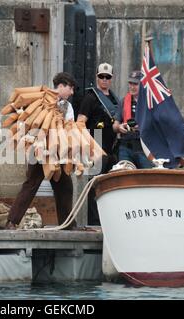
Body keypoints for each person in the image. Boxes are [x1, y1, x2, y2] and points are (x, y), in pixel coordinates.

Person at [5, 72, 76, 230]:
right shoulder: (40, 99)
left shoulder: (68, 107)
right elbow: (24, 117)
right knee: (31, 184)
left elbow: (70, 126)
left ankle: (68, 225)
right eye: (70, 88)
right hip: (38, 148)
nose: (72, 92)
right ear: (61, 86)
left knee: (64, 186)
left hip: (57, 152)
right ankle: (11, 221)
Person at [77, 63, 121, 225]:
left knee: (109, 186)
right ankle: (93, 221)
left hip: (112, 148)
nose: (104, 80)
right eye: (101, 76)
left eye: (107, 77)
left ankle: (107, 220)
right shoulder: (90, 97)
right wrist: (89, 146)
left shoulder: (116, 99)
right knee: (94, 185)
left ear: (111, 79)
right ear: (96, 77)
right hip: (95, 146)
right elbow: (80, 123)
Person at [112, 70, 152, 168]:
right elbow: (115, 125)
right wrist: (119, 127)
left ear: (142, 85)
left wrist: (143, 126)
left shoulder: (150, 102)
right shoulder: (123, 101)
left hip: (144, 148)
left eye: (135, 84)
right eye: (130, 83)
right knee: (125, 178)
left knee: (148, 178)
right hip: (125, 147)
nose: (132, 87)